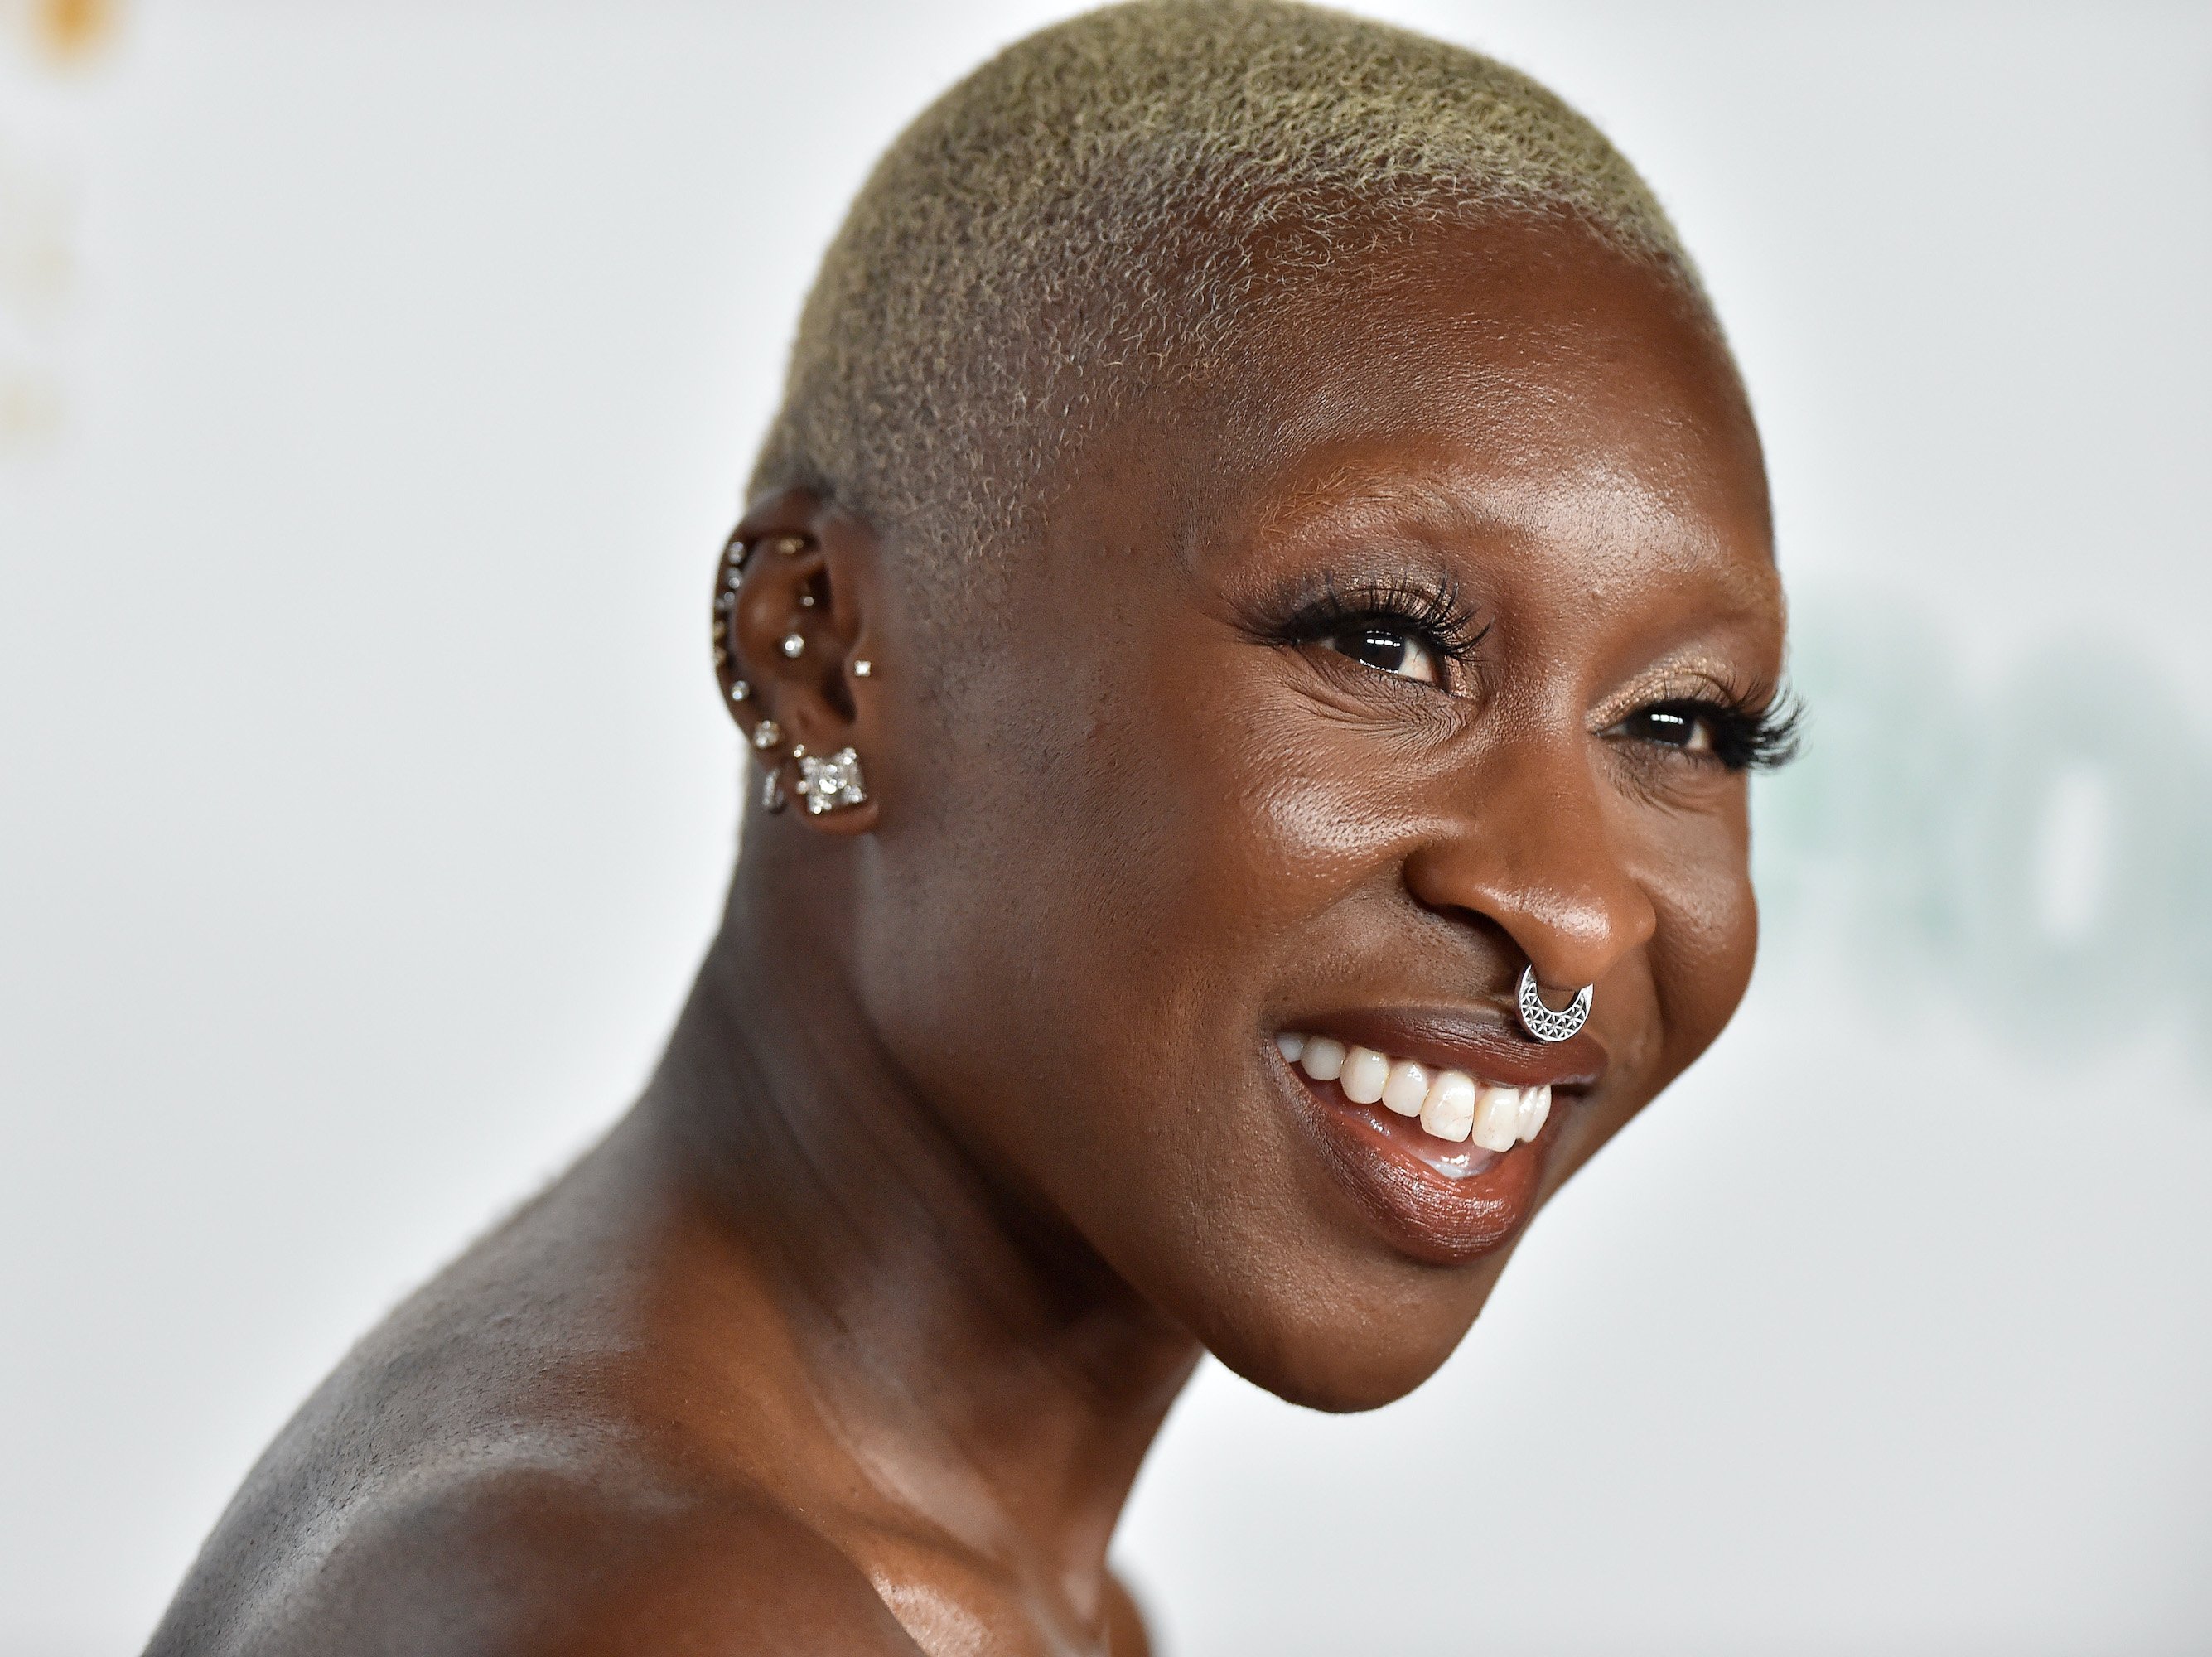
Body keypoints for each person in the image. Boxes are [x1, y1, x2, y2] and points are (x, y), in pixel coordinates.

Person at [146, 2, 1794, 1651]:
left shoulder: (954, 1594)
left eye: (1683, 725)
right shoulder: (676, 1614)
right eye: (1380, 640)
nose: (1579, 910)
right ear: (823, 664)